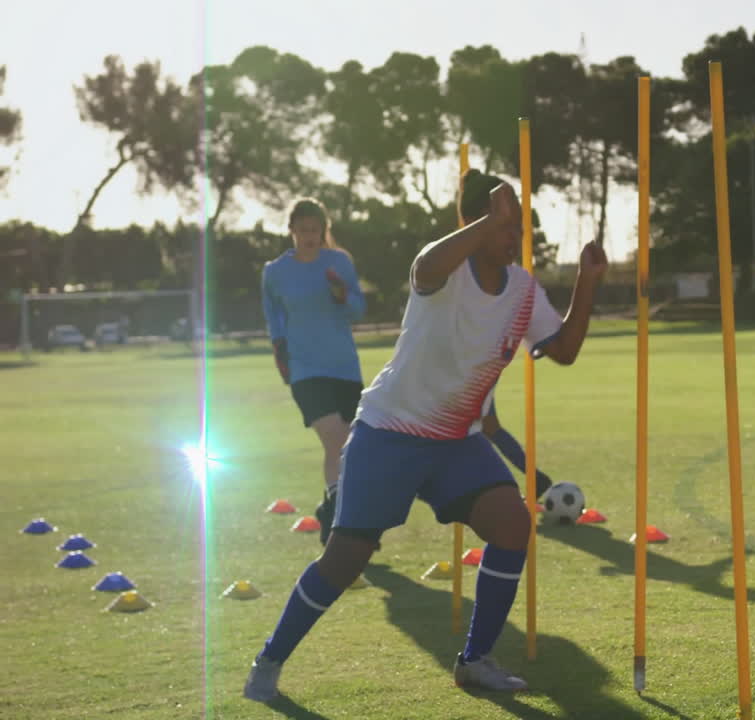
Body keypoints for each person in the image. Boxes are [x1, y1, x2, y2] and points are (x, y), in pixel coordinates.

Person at [244, 169, 607, 701]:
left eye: (520, 229)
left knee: (513, 525)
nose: (515, 237)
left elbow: (565, 350)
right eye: (506, 227)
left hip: (457, 441)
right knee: (345, 559)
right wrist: (486, 222)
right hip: (388, 432)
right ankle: (269, 661)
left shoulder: (523, 291)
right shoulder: (445, 270)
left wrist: (587, 282)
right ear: (477, 224)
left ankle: (475, 661)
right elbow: (424, 267)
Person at [262, 198, 366, 546]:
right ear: (291, 229)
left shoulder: (339, 262)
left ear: (324, 231)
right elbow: (274, 320)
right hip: (305, 369)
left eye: (315, 230)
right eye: (303, 230)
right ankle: (345, 520)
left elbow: (358, 309)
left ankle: (332, 512)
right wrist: (280, 353)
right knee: (335, 438)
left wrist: (342, 295)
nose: (309, 236)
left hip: (344, 367)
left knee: (347, 447)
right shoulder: (275, 272)